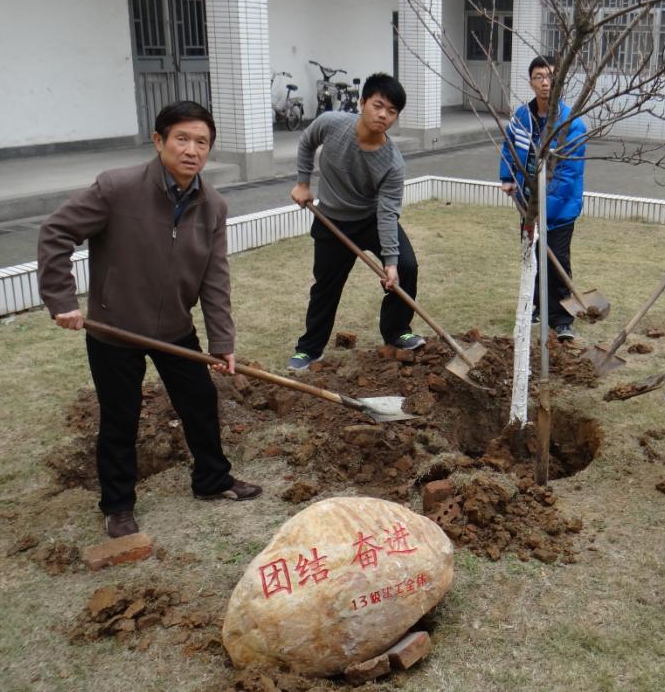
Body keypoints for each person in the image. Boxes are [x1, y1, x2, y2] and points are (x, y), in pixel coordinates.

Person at [38, 101, 262, 539]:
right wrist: (61, 299)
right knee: (120, 417)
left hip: (175, 329)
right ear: (159, 140)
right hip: (113, 330)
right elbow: (56, 232)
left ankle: (212, 479)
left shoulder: (213, 205)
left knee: (199, 403)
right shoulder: (116, 189)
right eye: (182, 138)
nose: (192, 150)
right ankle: (117, 505)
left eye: (202, 142)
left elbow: (215, 279)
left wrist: (222, 342)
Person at [287, 73, 424, 374]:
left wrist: (390, 262)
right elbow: (307, 141)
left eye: (391, 112)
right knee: (326, 286)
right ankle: (309, 349)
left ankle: (397, 331)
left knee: (406, 266)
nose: (383, 115)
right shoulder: (332, 124)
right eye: (378, 105)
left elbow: (388, 212)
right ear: (362, 103)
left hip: (370, 219)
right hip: (332, 219)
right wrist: (302, 182)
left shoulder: (392, 163)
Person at [499, 55, 587, 341]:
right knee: (531, 256)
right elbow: (510, 145)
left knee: (556, 261)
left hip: (559, 208)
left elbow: (567, 176)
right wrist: (507, 177)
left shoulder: (571, 124)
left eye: (551, 76)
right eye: (539, 76)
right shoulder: (522, 116)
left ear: (559, 81)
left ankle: (562, 319)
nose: (545, 82)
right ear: (531, 82)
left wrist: (543, 214)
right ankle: (536, 305)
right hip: (527, 204)